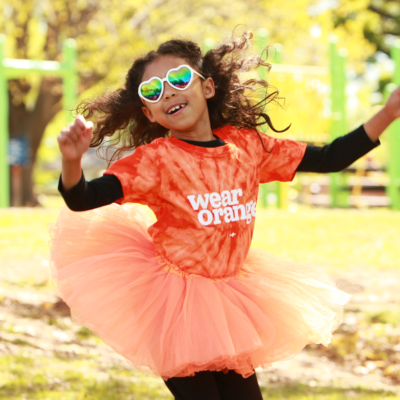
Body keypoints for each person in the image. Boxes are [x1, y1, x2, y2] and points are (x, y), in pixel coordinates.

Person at [50, 30, 400, 400]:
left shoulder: (247, 146)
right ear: (149, 113)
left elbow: (331, 158)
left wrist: (389, 113)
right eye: (152, 91)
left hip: (230, 299)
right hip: (175, 304)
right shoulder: (156, 161)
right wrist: (72, 161)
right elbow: (83, 199)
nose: (167, 91)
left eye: (179, 79)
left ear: (208, 88)